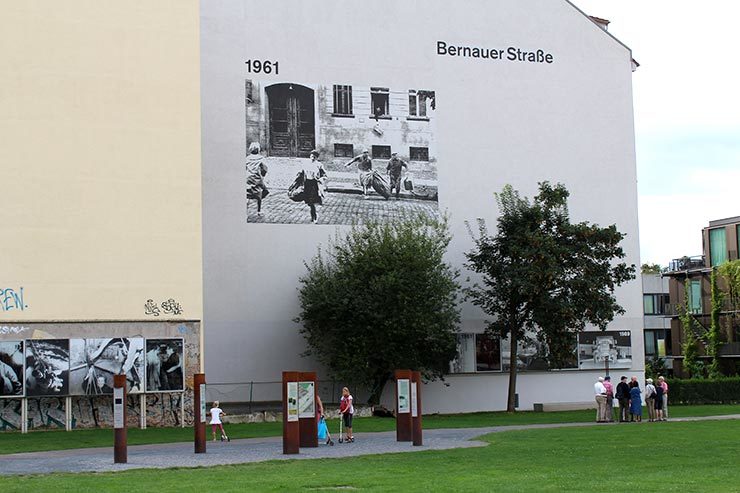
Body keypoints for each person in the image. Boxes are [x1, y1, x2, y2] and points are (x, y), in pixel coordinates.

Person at [302, 150, 326, 224]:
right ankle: (313, 213)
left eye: (314, 157)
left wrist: (320, 179)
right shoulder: (306, 164)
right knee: (309, 202)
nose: (312, 158)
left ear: (316, 157)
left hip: (314, 184)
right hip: (307, 183)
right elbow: (302, 173)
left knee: (311, 202)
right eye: (311, 156)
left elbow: (324, 175)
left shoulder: (319, 165)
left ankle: (314, 217)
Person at [246, 141, 269, 216]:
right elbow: (264, 169)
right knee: (260, 192)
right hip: (257, 178)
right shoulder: (261, 158)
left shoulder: (247, 158)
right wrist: (262, 175)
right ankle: (259, 211)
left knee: (247, 193)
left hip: (248, 178)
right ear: (258, 149)